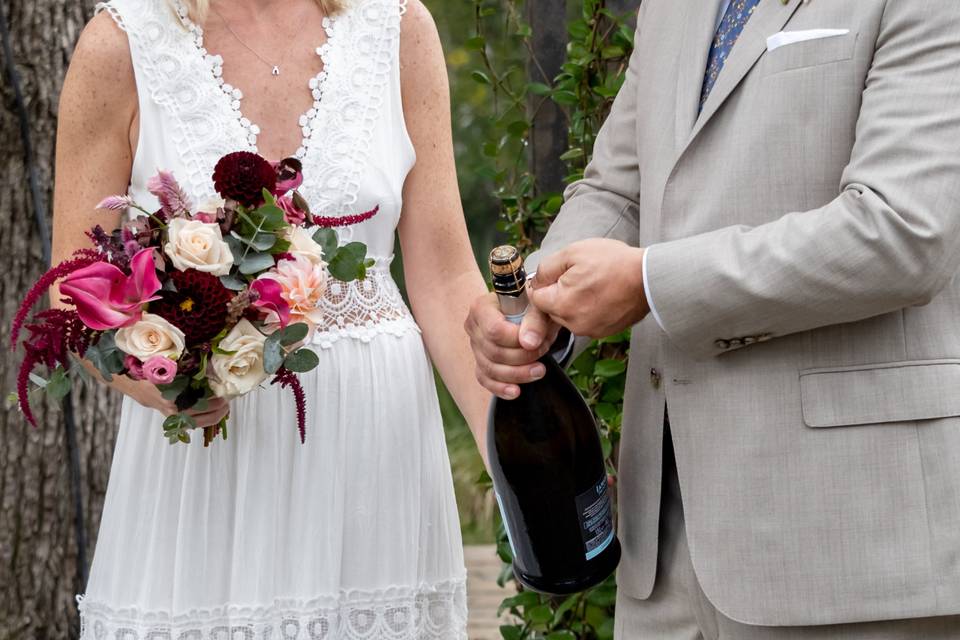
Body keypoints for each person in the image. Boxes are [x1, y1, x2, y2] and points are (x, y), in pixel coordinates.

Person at [467, 0, 960, 637]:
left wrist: (652, 281)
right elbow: (619, 190)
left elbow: (902, 233)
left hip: (851, 544)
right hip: (663, 554)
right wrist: (535, 305)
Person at [53, 0, 490, 637]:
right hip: (208, 470)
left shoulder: (399, 29)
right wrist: (153, 380)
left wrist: (511, 454)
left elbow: (446, 277)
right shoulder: (121, 42)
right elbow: (74, 289)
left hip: (374, 463)